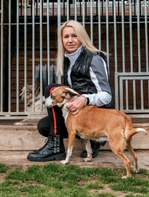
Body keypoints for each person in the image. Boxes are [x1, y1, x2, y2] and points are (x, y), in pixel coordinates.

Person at [27, 20, 114, 162]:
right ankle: (59, 146)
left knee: (51, 88)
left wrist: (85, 99)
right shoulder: (68, 60)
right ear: (62, 40)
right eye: (66, 37)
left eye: (74, 35)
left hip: (94, 113)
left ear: (82, 37)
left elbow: (107, 95)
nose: (70, 40)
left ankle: (94, 138)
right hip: (77, 113)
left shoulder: (94, 58)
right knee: (44, 126)